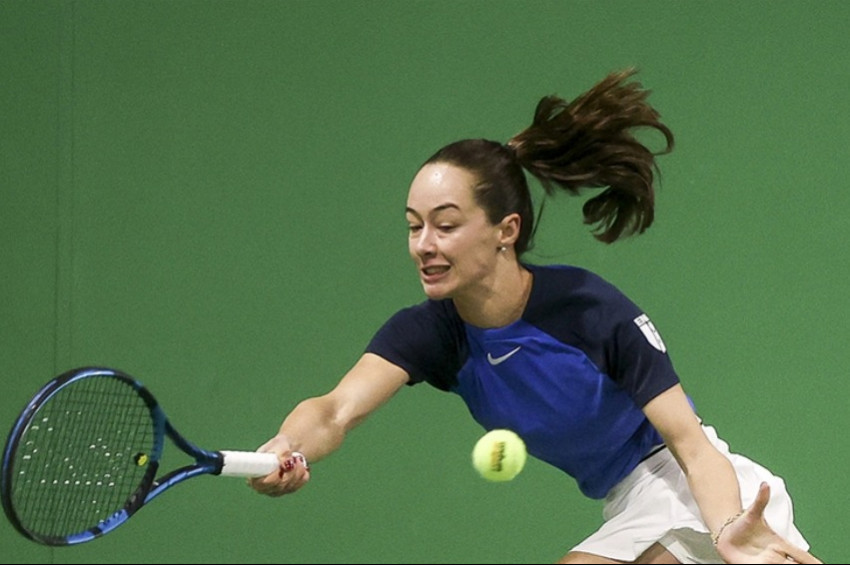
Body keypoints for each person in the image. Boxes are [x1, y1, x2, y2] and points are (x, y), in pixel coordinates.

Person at [249, 69, 820, 564]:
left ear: (506, 231)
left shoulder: (588, 311)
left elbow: (693, 448)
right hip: (629, 505)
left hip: (707, 496)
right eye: (413, 225)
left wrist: (726, 529)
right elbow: (334, 410)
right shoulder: (432, 333)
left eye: (445, 225)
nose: (423, 243)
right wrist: (284, 445)